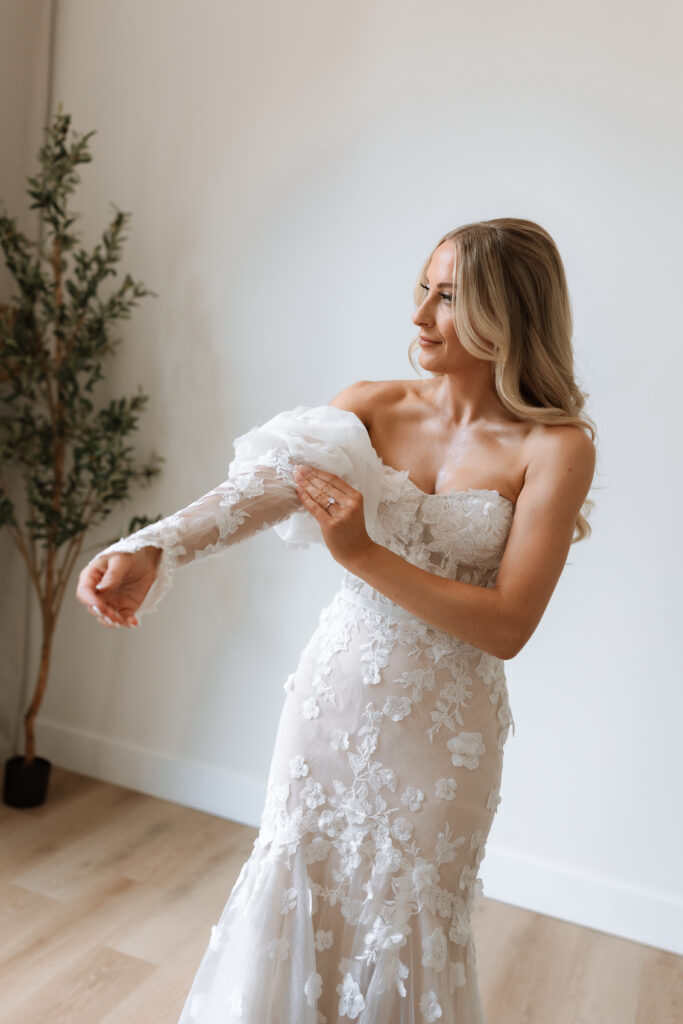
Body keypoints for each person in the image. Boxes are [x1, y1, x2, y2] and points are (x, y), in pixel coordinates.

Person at [76, 217, 597, 1024]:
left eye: (448, 297)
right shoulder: (368, 407)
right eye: (422, 289)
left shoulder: (554, 448)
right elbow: (259, 492)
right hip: (336, 701)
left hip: (446, 735)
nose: (419, 314)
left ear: (509, 312)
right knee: (295, 886)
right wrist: (153, 547)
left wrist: (360, 553)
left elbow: (507, 625)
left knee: (411, 921)